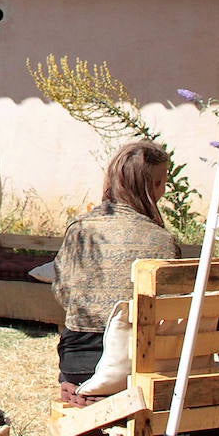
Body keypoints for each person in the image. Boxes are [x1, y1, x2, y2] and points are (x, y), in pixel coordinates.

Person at [51, 139, 180, 405]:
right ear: (150, 186)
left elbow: (63, 294)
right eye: (160, 183)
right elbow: (169, 307)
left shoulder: (81, 229)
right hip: (138, 365)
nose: (163, 191)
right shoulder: (163, 241)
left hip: (82, 364)